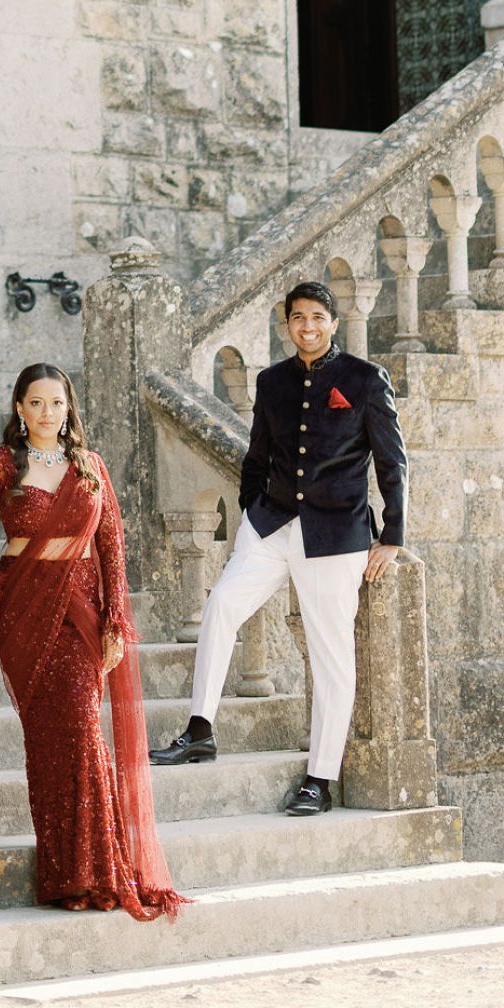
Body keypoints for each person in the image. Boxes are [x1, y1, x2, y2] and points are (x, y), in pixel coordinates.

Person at [152, 280, 406, 816]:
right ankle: (200, 728)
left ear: (333, 323)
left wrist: (392, 536)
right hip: (270, 525)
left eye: (317, 317)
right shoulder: (270, 381)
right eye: (297, 318)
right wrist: (251, 506)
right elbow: (257, 455)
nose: (307, 327)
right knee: (221, 606)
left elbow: (392, 463)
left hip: (335, 536)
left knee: (331, 656)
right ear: (286, 323)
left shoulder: (365, 379)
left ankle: (320, 779)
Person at [0, 362, 185, 919]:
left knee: (81, 732)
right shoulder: (4, 463)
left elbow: (112, 549)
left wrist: (116, 620)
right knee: (47, 744)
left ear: (69, 407)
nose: (47, 413)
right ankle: (66, 878)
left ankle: (100, 870)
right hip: (25, 610)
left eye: (56, 403)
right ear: (19, 409)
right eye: (36, 403)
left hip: (80, 612)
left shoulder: (90, 467)